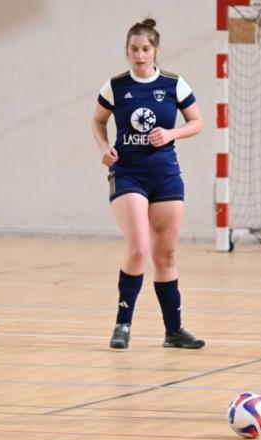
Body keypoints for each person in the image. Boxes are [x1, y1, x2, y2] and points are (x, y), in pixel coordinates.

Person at [91, 18, 205, 350]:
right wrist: (104, 148)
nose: (139, 55)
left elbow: (197, 121)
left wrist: (171, 133)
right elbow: (98, 121)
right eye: (133, 50)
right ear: (127, 51)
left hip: (166, 174)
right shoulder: (115, 85)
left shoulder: (173, 83)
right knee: (139, 248)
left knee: (166, 254)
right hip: (128, 173)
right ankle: (122, 325)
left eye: (145, 49)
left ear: (155, 51)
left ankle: (174, 331)